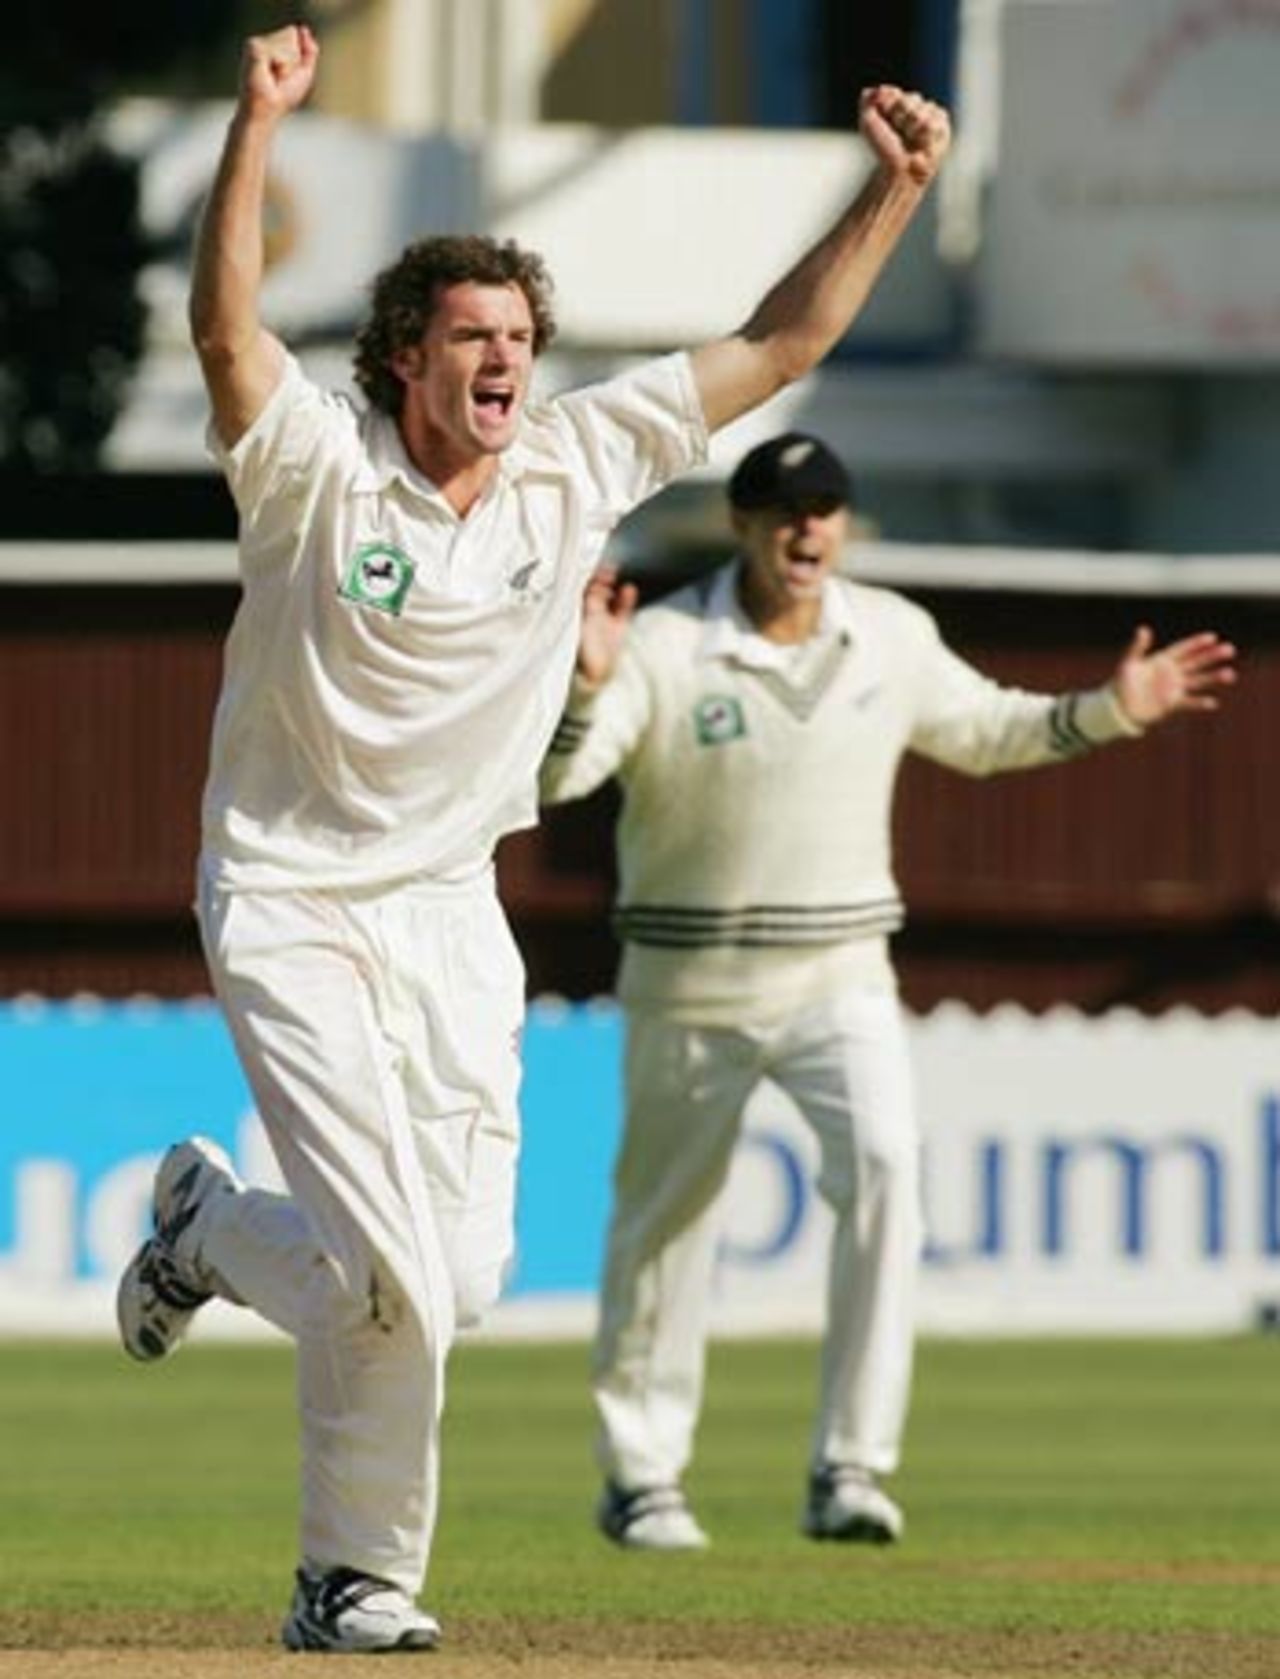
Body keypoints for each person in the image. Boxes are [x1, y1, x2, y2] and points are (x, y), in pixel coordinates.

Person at [112, 18, 951, 1656]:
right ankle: (352, 1578)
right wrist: (256, 125)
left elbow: (780, 344)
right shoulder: (316, 473)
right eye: (468, 334)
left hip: (447, 907)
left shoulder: (578, 455)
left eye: (518, 332)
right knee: (396, 1279)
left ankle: (209, 1229)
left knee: (458, 1279)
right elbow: (224, 336)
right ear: (405, 360)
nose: (503, 356)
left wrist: (896, 188)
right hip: (293, 899)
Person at [538, 432, 1238, 1553]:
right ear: (743, 525)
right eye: (782, 510)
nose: (804, 529)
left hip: (838, 975)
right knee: (664, 1224)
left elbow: (989, 731)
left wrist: (1111, 706)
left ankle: (849, 1466)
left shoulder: (890, 634)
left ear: (844, 524)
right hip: (686, 982)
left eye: (824, 509)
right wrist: (583, 685)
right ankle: (641, 1474)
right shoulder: (665, 644)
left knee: (885, 1170)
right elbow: (559, 776)